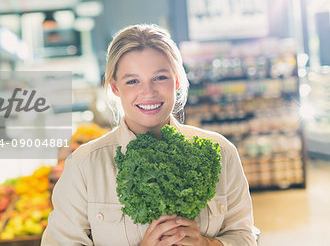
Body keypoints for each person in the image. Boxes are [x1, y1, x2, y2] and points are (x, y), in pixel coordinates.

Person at [41, 24, 257, 246]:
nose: (148, 92)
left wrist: (207, 244)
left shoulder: (221, 153)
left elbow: (245, 236)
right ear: (115, 87)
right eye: (133, 81)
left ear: (176, 81)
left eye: (160, 77)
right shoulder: (84, 167)